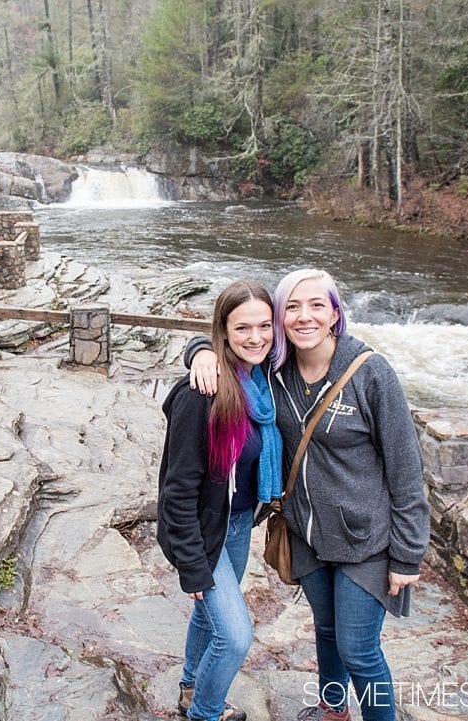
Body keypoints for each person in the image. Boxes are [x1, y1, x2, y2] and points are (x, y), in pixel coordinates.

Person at [186, 268, 429, 721]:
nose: (304, 317)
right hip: (307, 536)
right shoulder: (275, 372)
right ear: (281, 317)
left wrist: (408, 554)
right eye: (292, 307)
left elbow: (406, 468)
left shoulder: (370, 373)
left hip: (365, 541)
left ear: (335, 313)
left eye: (317, 305)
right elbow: (229, 340)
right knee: (326, 631)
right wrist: (200, 351)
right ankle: (332, 709)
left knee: (359, 651)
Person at [157, 279, 285, 721]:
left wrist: (199, 347)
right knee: (233, 637)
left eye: (265, 326)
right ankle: (205, 714)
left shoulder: (268, 379)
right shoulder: (202, 393)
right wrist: (192, 566)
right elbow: (177, 492)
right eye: (243, 328)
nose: (256, 337)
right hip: (202, 528)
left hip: (238, 521)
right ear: (224, 332)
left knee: (207, 617)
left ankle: (191, 688)